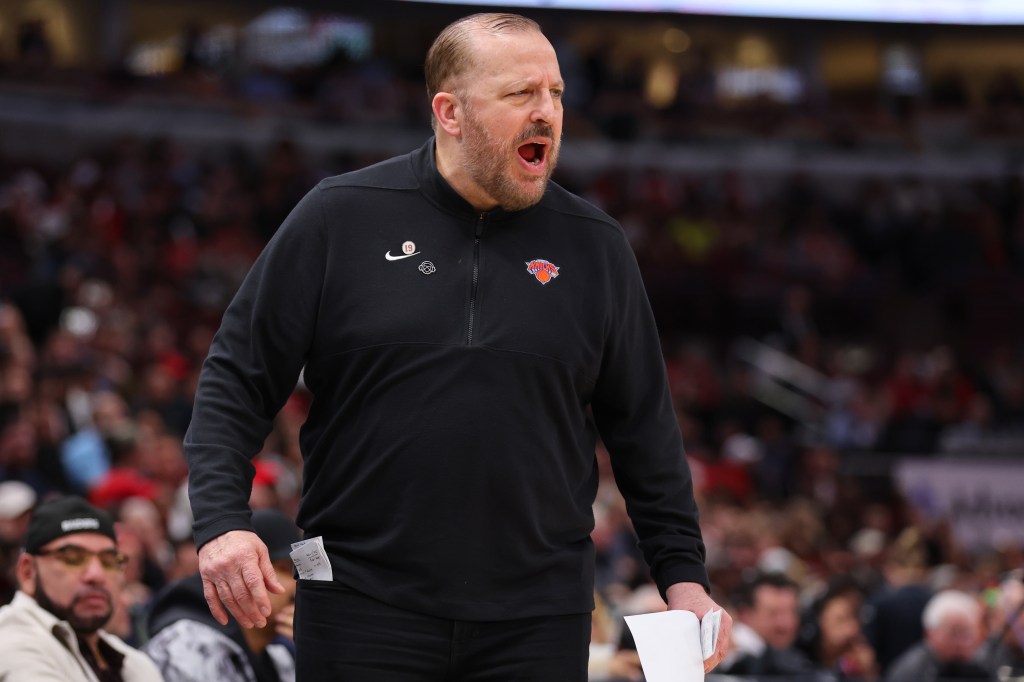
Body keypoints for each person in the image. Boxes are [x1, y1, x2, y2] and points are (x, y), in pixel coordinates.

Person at [184, 12, 731, 681]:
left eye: (556, 94)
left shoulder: (596, 245)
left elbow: (646, 430)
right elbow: (236, 378)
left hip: (538, 615)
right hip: (360, 602)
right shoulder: (340, 215)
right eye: (520, 94)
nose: (547, 113)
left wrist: (684, 578)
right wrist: (220, 521)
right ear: (450, 111)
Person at [0, 494, 164, 681]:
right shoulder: (11, 639)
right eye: (73, 558)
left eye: (108, 560)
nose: (96, 575)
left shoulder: (135, 662)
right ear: (28, 572)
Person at [144, 508, 300, 682]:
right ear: (240, 573)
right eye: (287, 569)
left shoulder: (279, 657)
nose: (298, 584)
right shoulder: (186, 647)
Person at [721, 572, 830, 681]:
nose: (785, 624)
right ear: (745, 615)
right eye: (773, 614)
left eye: (791, 613)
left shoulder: (810, 649)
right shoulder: (729, 654)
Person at [885, 589, 989, 682]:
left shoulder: (983, 662)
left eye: (967, 633)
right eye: (954, 633)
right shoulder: (912, 671)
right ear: (930, 633)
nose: (962, 643)